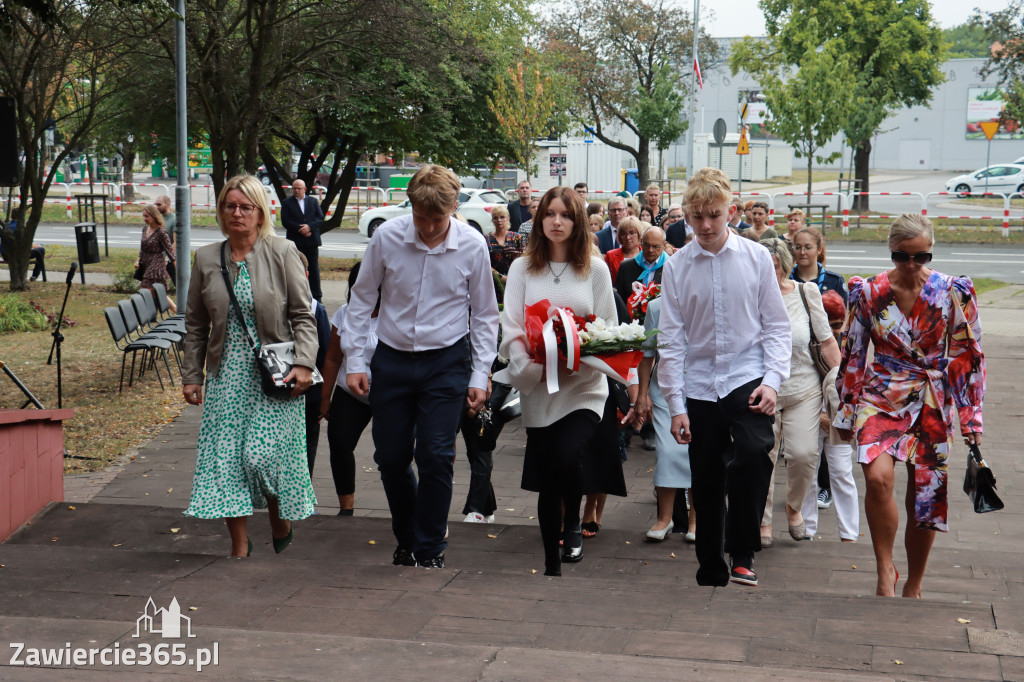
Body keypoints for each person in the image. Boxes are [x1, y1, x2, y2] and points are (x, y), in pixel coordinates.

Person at [343, 164, 500, 570]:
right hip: (392, 358)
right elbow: (361, 302)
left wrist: (480, 374)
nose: (429, 228)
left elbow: (484, 313)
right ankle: (409, 532)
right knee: (391, 457)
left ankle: (429, 547)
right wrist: (356, 359)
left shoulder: (471, 245)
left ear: (453, 210)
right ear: (409, 206)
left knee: (435, 454)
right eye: (421, 217)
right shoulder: (387, 237)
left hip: (446, 360)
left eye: (438, 219)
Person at [835, 213, 985, 598]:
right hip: (880, 394)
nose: (913, 265)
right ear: (891, 252)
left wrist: (971, 418)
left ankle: (914, 581)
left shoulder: (954, 292)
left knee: (926, 493)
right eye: (902, 257)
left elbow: (969, 356)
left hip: (932, 399)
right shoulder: (867, 293)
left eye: (921, 256)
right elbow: (852, 354)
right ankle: (886, 569)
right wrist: (846, 410)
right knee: (877, 478)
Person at [658, 167, 791, 588]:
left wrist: (772, 381)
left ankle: (744, 550)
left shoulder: (755, 260)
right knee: (706, 475)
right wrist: (675, 405)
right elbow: (671, 342)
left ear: (731, 211)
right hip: (698, 384)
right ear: (685, 216)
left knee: (754, 451)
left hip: (746, 376)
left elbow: (776, 325)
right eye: (696, 217)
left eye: (714, 214)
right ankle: (710, 565)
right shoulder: (677, 267)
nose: (706, 225)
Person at [182, 174, 318, 557]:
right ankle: (239, 547)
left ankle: (278, 516)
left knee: (259, 457)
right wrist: (192, 376)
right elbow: (195, 324)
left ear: (261, 214)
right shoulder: (207, 258)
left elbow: (303, 316)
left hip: (276, 373)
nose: (237, 213)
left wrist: (306, 364)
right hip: (227, 375)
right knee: (226, 462)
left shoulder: (282, 251)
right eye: (230, 206)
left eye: (246, 207)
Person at [500, 185, 617, 576]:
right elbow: (513, 327)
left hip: (584, 388)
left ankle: (573, 525)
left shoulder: (596, 270)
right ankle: (552, 559)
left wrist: (577, 358)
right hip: (539, 389)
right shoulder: (521, 268)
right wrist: (532, 363)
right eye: (549, 213)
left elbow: (609, 331)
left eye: (565, 215)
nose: (556, 221)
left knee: (569, 456)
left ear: (578, 221)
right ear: (539, 219)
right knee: (550, 472)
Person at [757, 238, 840, 547]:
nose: (768, 273)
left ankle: (794, 507)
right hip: (763, 390)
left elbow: (827, 340)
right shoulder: (747, 297)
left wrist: (840, 386)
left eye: (774, 267)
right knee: (762, 457)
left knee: (804, 454)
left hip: (804, 388)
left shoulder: (806, 293)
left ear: (785, 266)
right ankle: (763, 522)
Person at [634, 297, 696, 543]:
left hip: (702, 391)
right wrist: (642, 394)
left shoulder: (708, 300)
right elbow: (647, 355)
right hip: (664, 391)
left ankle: (694, 520)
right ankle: (665, 517)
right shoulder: (656, 307)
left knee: (698, 455)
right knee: (667, 453)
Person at [800, 289, 860, 542]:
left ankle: (849, 531)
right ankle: (807, 528)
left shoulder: (851, 342)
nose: (835, 331)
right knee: (807, 473)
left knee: (842, 472)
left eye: (838, 325)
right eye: (829, 325)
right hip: (809, 414)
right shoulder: (806, 342)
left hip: (841, 418)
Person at [320, 263, 376, 516]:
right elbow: (333, 358)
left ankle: (406, 508)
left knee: (393, 455)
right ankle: (346, 509)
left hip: (390, 395)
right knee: (340, 444)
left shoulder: (397, 313)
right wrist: (325, 397)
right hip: (350, 392)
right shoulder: (344, 314)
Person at [295, 251, 330, 478]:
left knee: (307, 444)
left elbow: (326, 356)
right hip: (274, 391)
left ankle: (303, 495)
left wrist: (322, 397)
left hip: (308, 393)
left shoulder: (316, 309)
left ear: (306, 275)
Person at [281, 179, 325, 302]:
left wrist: (309, 227)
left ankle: (317, 297)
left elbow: (320, 218)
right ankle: (298, 297)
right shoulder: (287, 203)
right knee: (295, 269)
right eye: (294, 188)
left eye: (299, 188)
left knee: (314, 269)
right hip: (295, 242)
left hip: (311, 241)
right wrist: (300, 229)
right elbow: (285, 221)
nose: (296, 190)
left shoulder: (313, 201)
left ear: (305, 189)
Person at [791, 227, 848, 305]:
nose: (802, 252)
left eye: (808, 247)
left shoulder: (835, 281)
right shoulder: (784, 280)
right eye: (798, 247)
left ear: (819, 249)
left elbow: (843, 314)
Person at [135, 204, 177, 313]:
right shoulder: (145, 229)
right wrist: (138, 260)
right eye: (143, 216)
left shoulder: (161, 232)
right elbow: (142, 249)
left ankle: (140, 320)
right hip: (146, 263)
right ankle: (178, 311)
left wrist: (177, 269)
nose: (145, 219)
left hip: (156, 265)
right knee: (157, 293)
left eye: (147, 216)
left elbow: (169, 251)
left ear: (154, 216)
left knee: (144, 292)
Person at [614, 225, 666, 305]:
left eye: (655, 246)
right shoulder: (626, 267)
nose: (650, 250)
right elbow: (619, 300)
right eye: (647, 245)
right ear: (641, 242)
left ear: (664, 245)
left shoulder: (671, 268)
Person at [487, 205, 526, 303]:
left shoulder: (517, 237)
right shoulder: (486, 239)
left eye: (502, 217)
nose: (499, 220)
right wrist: (501, 277)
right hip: (494, 283)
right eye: (495, 218)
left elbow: (524, 259)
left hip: (515, 281)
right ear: (492, 220)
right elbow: (484, 263)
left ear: (508, 219)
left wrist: (512, 278)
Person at [604, 216, 642, 284]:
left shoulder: (646, 255)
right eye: (623, 234)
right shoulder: (611, 256)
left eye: (632, 233)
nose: (628, 237)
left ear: (639, 234)